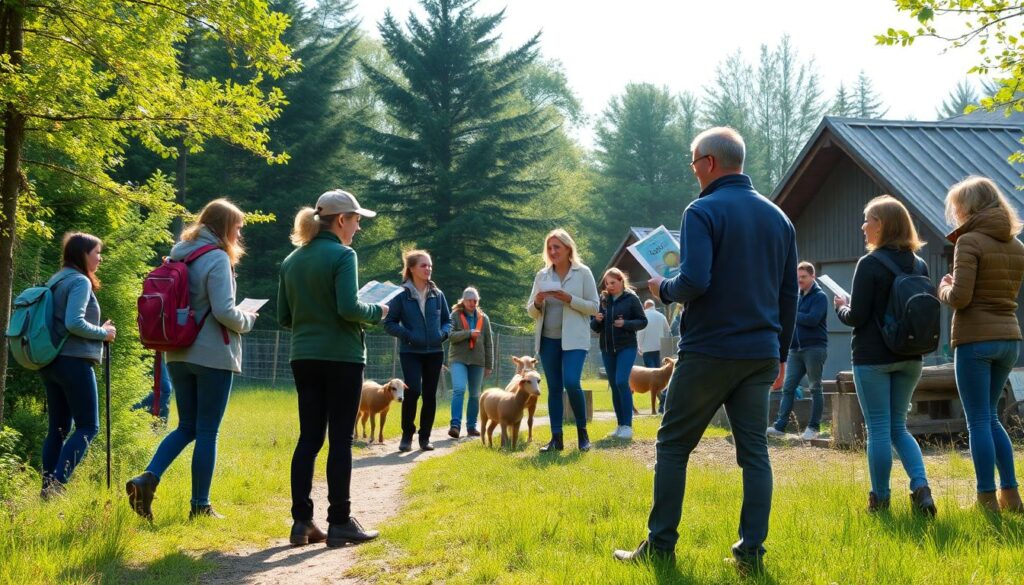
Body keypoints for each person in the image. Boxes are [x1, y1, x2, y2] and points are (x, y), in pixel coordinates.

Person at [613, 127, 797, 574]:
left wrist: (663, 287)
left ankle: (660, 547)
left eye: (693, 162)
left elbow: (694, 282)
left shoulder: (702, 210)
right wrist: (781, 354)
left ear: (709, 163)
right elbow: (788, 293)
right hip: (760, 350)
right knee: (754, 452)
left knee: (673, 446)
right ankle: (751, 553)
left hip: (711, 349)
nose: (693, 171)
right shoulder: (779, 218)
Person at [126, 199, 257, 521]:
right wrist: (249, 318)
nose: (239, 235)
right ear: (225, 227)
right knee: (207, 431)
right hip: (211, 353)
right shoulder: (216, 258)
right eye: (237, 228)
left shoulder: (178, 254)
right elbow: (225, 312)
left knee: (186, 426)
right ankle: (200, 505)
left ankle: (148, 478)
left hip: (176, 352)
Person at [278, 189, 388, 547]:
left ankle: (301, 522)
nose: (358, 228)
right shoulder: (344, 255)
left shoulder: (291, 261)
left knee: (308, 438)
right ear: (341, 220)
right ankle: (339, 520)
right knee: (341, 439)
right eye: (356, 220)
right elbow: (349, 308)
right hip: (342, 358)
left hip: (303, 357)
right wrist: (378, 312)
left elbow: (283, 317)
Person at [834, 195, 936, 516]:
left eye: (869, 220)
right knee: (899, 428)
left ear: (884, 225)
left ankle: (880, 499)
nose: (863, 226)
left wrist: (841, 308)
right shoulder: (919, 264)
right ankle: (921, 487)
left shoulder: (869, 264)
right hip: (911, 356)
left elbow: (858, 317)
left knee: (878, 429)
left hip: (873, 358)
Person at [937, 176, 1024, 514]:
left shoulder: (969, 241)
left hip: (976, 339)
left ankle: (986, 499)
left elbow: (961, 297)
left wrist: (944, 287)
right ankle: (1011, 496)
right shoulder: (1016, 244)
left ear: (969, 208)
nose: (955, 214)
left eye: (957, 207)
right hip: (1009, 338)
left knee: (977, 421)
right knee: (992, 418)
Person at [39, 232, 117, 498]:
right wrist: (103, 333)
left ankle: (47, 488)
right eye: (97, 252)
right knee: (88, 426)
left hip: (51, 361)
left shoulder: (57, 279)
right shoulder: (80, 281)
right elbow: (74, 322)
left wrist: (98, 329)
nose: (100, 257)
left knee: (58, 429)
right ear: (83, 254)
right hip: (74, 361)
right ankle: (58, 485)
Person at [527, 228, 600, 452]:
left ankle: (582, 434)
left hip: (575, 340)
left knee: (571, 382)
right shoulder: (542, 275)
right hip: (548, 339)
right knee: (555, 387)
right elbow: (530, 310)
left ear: (568, 248)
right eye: (549, 248)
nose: (552, 251)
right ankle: (556, 438)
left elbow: (594, 307)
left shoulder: (583, 272)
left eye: (557, 247)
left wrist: (569, 299)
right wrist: (538, 301)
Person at [384, 250, 451, 452]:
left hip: (434, 352)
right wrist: (408, 335)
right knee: (413, 391)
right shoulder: (401, 295)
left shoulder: (437, 294)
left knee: (430, 395)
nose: (428, 268)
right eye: (423, 265)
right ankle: (407, 435)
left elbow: (448, 321)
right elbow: (389, 322)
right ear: (411, 268)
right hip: (410, 352)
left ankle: (425, 437)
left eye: (430, 265)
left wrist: (442, 334)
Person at [767, 261, 828, 441]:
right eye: (798, 277)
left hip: (814, 348)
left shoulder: (820, 297)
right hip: (795, 350)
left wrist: (792, 313)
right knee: (788, 388)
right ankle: (780, 427)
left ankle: (813, 427)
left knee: (815, 388)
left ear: (812, 277)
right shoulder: (798, 297)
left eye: (803, 277)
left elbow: (812, 319)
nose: (799, 280)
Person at [591, 268, 646, 440]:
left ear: (621, 281)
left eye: (613, 283)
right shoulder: (604, 299)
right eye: (607, 283)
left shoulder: (631, 298)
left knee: (622, 381)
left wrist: (626, 323)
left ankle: (628, 426)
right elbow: (595, 328)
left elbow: (643, 321)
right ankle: (620, 425)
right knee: (614, 386)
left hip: (626, 347)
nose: (609, 286)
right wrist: (596, 320)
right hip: (607, 349)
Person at [447, 287, 494, 439]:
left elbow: (489, 343)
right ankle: (455, 425)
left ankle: (471, 427)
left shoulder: (484, 318)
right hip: (458, 359)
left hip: (477, 361)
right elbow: (451, 336)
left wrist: (489, 365)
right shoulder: (454, 315)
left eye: (475, 300)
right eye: (469, 300)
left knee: (474, 394)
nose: (472, 303)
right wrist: (469, 333)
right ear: (463, 300)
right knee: (459, 389)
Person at [637, 299, 671, 413]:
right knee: (660, 379)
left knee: (653, 380)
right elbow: (667, 332)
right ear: (654, 306)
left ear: (645, 306)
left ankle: (662, 403)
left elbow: (640, 333)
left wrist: (639, 347)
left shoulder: (643, 316)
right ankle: (663, 404)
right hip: (659, 349)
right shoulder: (661, 316)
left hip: (647, 349)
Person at [132, 355, 173, 421]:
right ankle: (137, 424)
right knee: (137, 392)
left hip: (155, 352)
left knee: (164, 390)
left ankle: (158, 426)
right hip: (134, 352)